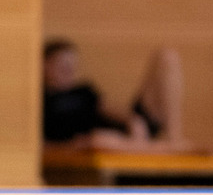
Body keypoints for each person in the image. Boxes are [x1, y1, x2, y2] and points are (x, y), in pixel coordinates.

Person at [42, 38, 192, 152]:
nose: (69, 70)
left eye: (72, 65)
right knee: (98, 140)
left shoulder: (84, 90)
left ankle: (174, 140)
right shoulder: (41, 99)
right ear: (45, 65)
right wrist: (72, 145)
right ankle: (157, 148)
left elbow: (109, 109)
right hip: (97, 143)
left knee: (167, 57)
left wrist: (134, 121)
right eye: (63, 65)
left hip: (125, 136)